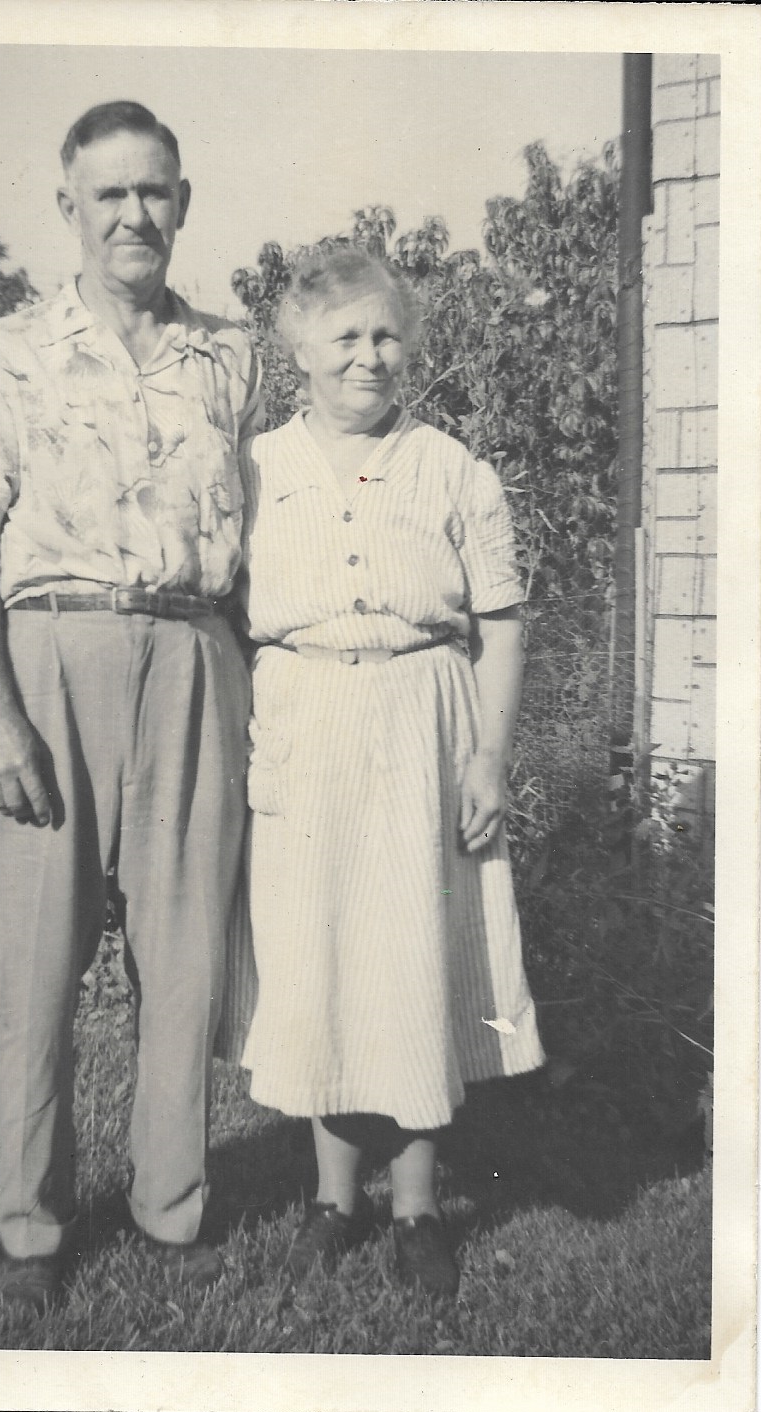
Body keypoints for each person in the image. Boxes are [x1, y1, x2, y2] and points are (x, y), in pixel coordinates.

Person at [0, 101, 261, 1307]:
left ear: (184, 201)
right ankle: (31, 1224)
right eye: (109, 193)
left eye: (155, 191)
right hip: (50, 657)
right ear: (67, 206)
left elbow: (264, 538)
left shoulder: (232, 358)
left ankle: (170, 1205)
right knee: (34, 968)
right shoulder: (3, 353)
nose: (134, 214)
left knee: (183, 962)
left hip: (193, 660)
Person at [238, 248, 544, 1296]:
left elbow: (500, 625)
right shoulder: (255, 468)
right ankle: (334, 1196)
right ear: (300, 355)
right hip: (303, 716)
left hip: (424, 715)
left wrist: (489, 756)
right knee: (319, 953)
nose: (369, 357)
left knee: (411, 953)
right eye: (346, 338)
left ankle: (415, 1207)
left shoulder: (453, 467)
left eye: (386, 335)